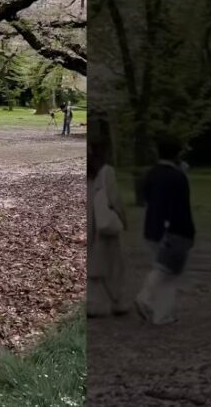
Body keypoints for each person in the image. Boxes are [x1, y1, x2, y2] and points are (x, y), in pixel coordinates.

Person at [135, 137, 195, 326]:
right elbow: (181, 206)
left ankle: (161, 313)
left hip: (152, 228)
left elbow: (146, 199)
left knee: (166, 271)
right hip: (175, 229)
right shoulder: (178, 177)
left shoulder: (151, 174)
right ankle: (146, 298)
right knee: (167, 270)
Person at [89, 119, 128, 317]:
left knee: (92, 263)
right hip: (103, 223)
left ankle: (93, 304)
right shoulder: (106, 172)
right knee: (113, 264)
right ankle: (117, 301)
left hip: (90, 223)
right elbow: (115, 199)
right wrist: (123, 218)